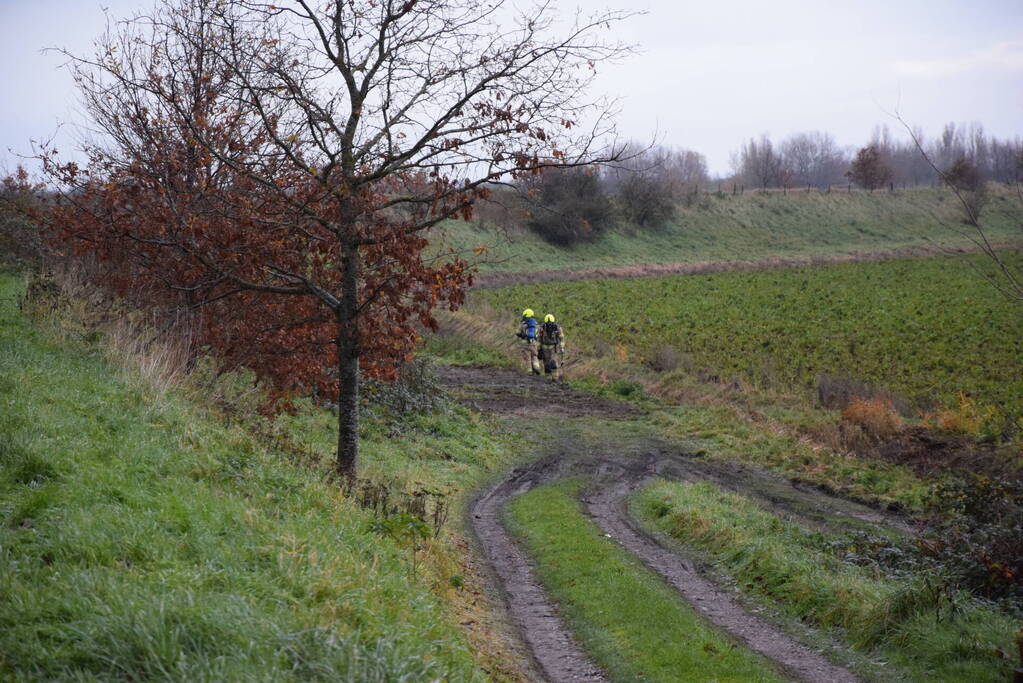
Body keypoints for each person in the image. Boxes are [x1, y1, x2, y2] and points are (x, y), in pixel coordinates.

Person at [537, 313, 566, 380]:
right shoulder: (542, 328)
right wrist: (539, 348)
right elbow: (539, 338)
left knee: (553, 362)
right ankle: (548, 379)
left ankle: (555, 378)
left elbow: (562, 338)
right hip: (544, 348)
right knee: (546, 364)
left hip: (553, 347)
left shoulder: (557, 328)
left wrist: (562, 347)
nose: (549, 324)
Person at [516, 308, 542, 375]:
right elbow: (539, 334)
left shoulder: (523, 324)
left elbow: (517, 332)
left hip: (526, 343)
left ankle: (529, 371)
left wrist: (521, 335)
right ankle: (537, 367)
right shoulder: (536, 324)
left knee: (527, 357)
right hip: (534, 343)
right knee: (534, 355)